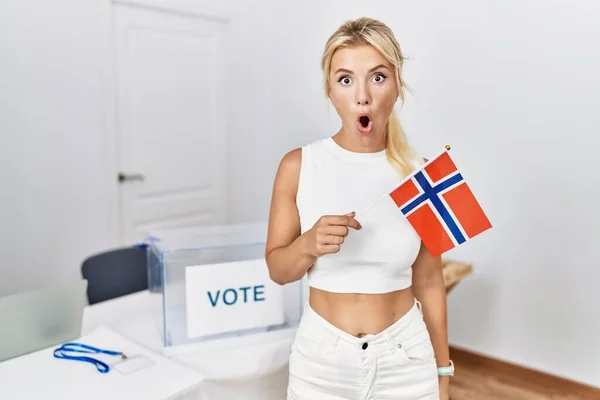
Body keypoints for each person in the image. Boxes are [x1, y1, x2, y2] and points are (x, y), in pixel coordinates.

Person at [265, 17, 453, 400]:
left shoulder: (424, 175)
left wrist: (443, 372)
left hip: (407, 358)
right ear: (330, 91)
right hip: (320, 362)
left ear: (398, 85)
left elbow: (431, 282)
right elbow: (278, 271)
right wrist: (307, 244)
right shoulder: (297, 166)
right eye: (346, 79)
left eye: (378, 77)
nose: (362, 96)